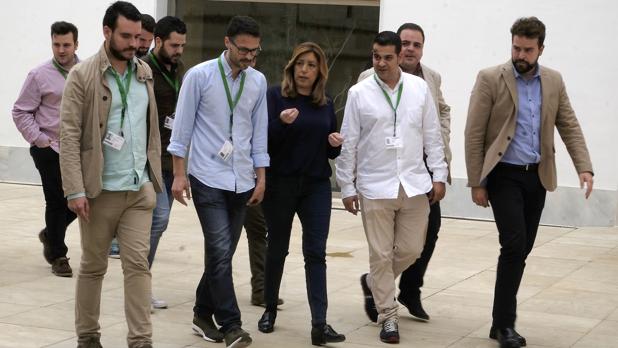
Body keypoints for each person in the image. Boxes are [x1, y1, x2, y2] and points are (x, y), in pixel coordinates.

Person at [464, 16, 594, 348]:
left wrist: (585, 167)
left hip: (537, 176)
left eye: (527, 50)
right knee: (513, 244)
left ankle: (498, 322)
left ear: (540, 49)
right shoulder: (490, 78)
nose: (520, 55)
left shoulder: (553, 81)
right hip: (503, 175)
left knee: (522, 249)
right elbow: (474, 133)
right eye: (516, 48)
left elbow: (569, 125)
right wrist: (477, 182)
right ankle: (506, 326)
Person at [59, 2, 163, 347]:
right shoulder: (83, 75)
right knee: (93, 267)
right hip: (98, 191)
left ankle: (141, 340)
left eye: (138, 37)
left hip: (138, 189)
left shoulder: (144, 72)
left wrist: (154, 178)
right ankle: (88, 336)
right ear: (107, 32)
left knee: (138, 266)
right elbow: (69, 135)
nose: (135, 43)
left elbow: (150, 130)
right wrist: (75, 190)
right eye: (127, 36)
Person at [336, 31, 447, 344]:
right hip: (374, 186)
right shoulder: (359, 93)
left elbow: (432, 135)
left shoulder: (420, 89)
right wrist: (346, 185)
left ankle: (373, 282)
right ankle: (388, 316)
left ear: (400, 57)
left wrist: (439, 173)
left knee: (412, 249)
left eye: (387, 57)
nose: (381, 63)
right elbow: (350, 142)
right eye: (376, 56)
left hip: (414, 183)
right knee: (381, 255)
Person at [168, 15, 268, 348]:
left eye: (254, 51)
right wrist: (179, 174)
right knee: (221, 250)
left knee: (220, 254)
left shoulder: (257, 82)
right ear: (227, 42)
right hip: (207, 176)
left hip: (241, 179)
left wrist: (261, 176)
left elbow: (259, 135)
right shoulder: (200, 76)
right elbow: (180, 130)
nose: (249, 57)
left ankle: (201, 313)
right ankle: (231, 325)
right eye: (243, 50)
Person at [256, 42, 346, 346]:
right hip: (281, 184)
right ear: (291, 67)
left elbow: (330, 149)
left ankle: (319, 324)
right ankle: (269, 309)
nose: (305, 70)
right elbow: (263, 140)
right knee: (277, 248)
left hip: (316, 186)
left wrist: (336, 143)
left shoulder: (325, 102)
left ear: (320, 70)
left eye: (311, 65)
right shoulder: (275, 96)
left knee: (316, 252)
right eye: (300, 64)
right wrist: (280, 123)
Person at [12, 21, 79, 277]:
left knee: (82, 198)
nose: (61, 50)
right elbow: (20, 111)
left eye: (66, 45)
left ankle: (50, 234)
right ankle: (58, 255)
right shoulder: (38, 75)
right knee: (55, 200)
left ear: (76, 44)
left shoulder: (85, 72)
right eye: (56, 44)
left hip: (77, 149)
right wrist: (39, 139)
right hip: (49, 147)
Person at [141, 15, 187, 310]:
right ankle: (139, 285)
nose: (179, 50)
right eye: (174, 44)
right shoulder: (143, 69)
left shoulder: (179, 70)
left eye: (182, 45)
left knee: (158, 223)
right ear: (158, 41)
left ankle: (139, 281)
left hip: (172, 159)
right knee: (158, 220)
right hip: (149, 158)